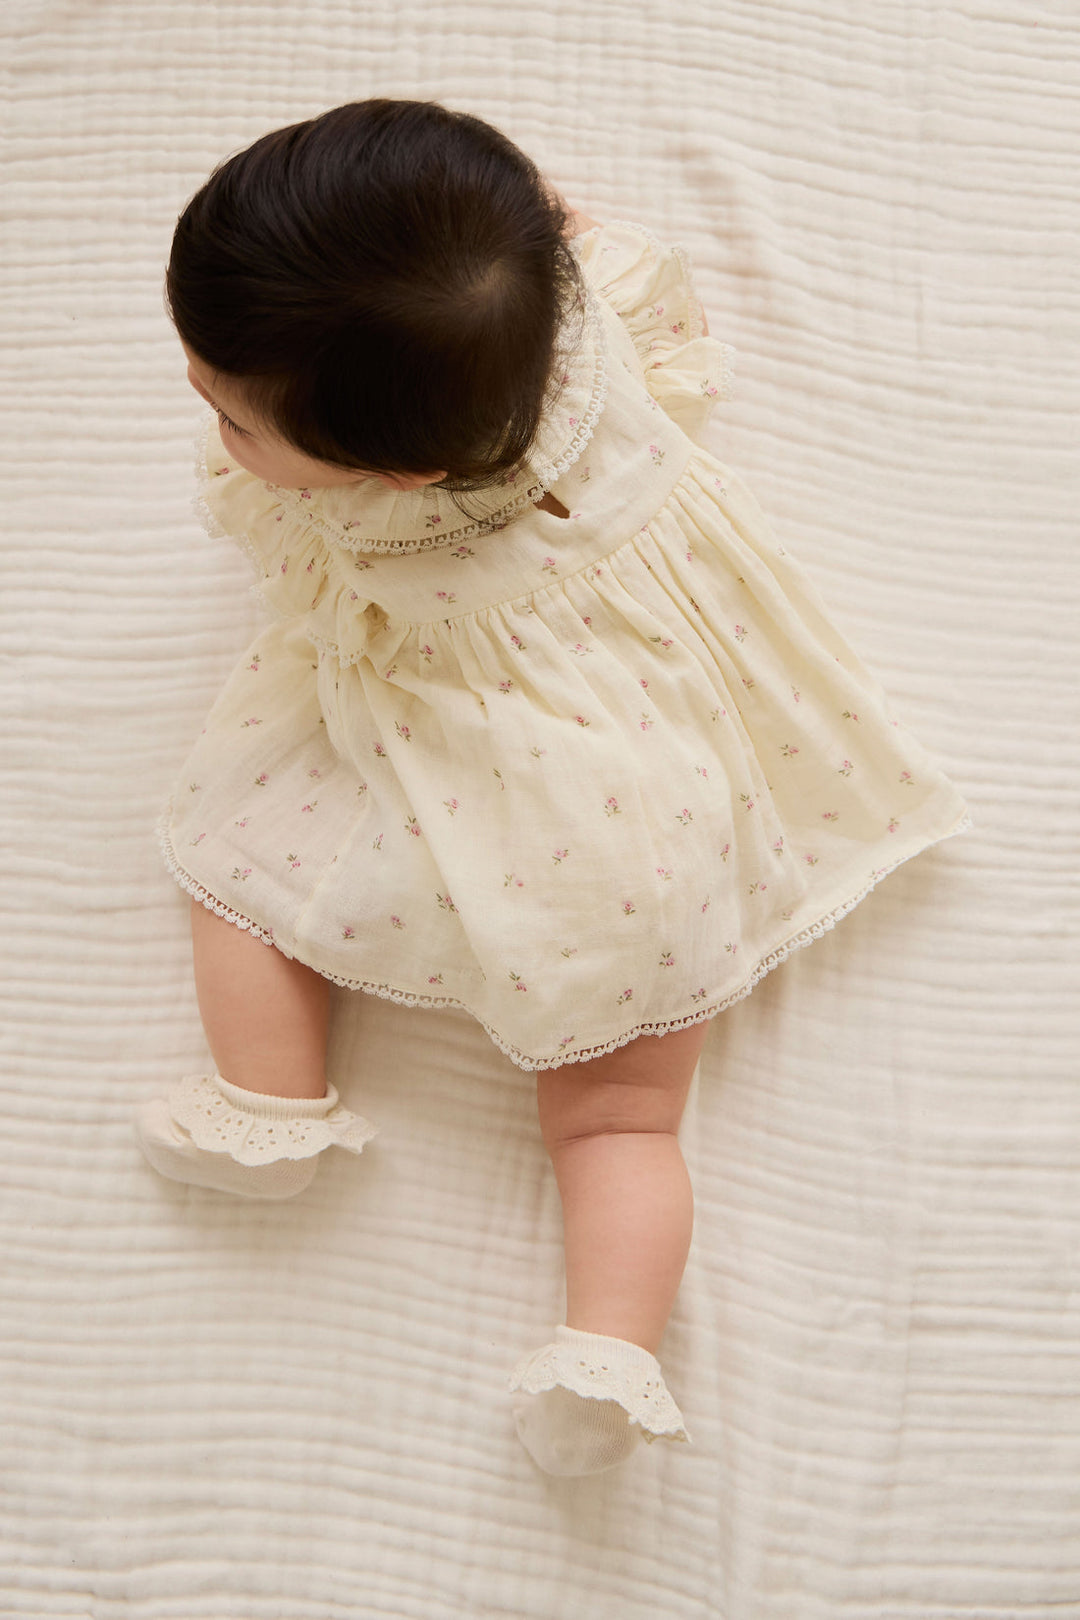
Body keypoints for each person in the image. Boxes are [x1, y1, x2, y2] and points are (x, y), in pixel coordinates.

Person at [135, 98, 970, 1477]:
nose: (206, 415)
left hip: (516, 771)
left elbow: (290, 541)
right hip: (658, 782)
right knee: (623, 1113)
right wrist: (530, 229)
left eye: (231, 417)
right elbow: (598, 251)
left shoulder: (378, 517)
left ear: (390, 473)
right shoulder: (584, 326)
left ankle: (268, 1097)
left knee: (247, 854)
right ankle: (612, 1345)